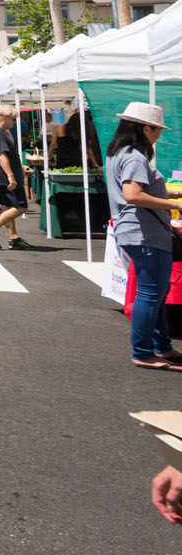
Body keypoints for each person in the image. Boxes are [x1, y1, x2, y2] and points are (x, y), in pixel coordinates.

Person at [104, 103, 182, 369]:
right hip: (144, 232)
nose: (158, 135)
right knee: (151, 295)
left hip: (133, 231)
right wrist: (176, 205)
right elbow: (133, 194)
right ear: (144, 128)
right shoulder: (135, 156)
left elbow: (136, 191)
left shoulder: (119, 152)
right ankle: (143, 351)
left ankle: (160, 347)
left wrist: (172, 194)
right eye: (157, 129)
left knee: (154, 294)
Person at [0, 108, 35, 251]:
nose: (15, 122)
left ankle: (14, 237)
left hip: (0, 176)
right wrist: (11, 176)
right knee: (21, 206)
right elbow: (1, 155)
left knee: (8, 207)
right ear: (4, 118)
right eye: (13, 119)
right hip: (5, 177)